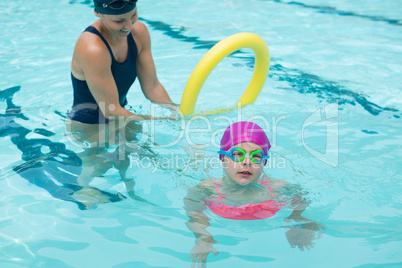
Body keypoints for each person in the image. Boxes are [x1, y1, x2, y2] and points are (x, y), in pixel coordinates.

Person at [65, 0, 176, 206]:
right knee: (97, 164)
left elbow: (152, 87)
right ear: (98, 13)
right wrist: (159, 119)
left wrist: (175, 110)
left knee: (133, 157)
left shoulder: (138, 32)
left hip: (121, 113)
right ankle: (82, 191)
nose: (128, 25)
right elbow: (111, 110)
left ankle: (133, 196)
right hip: (89, 123)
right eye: (119, 20)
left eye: (132, 15)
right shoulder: (92, 48)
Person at [184, 121, 325, 267]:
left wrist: (296, 217)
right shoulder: (207, 189)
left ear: (264, 162)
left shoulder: (277, 188)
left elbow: (303, 197)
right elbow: (193, 210)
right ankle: (196, 155)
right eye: (237, 154)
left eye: (256, 156)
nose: (247, 162)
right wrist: (203, 237)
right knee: (196, 166)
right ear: (223, 158)